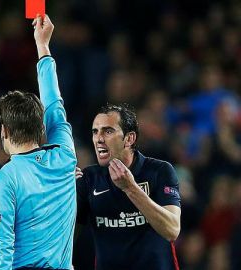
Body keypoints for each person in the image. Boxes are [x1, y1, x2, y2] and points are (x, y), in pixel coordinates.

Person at [0, 14, 77, 270]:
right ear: (41, 129)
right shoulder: (64, 157)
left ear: (4, 132)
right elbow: (55, 107)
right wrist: (43, 46)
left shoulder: (3, 178)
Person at [76, 103, 181, 269]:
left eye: (108, 131)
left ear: (129, 138)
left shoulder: (159, 171)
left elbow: (172, 230)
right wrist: (63, 194)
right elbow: (67, 236)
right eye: (95, 132)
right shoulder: (89, 179)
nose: (99, 139)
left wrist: (131, 188)